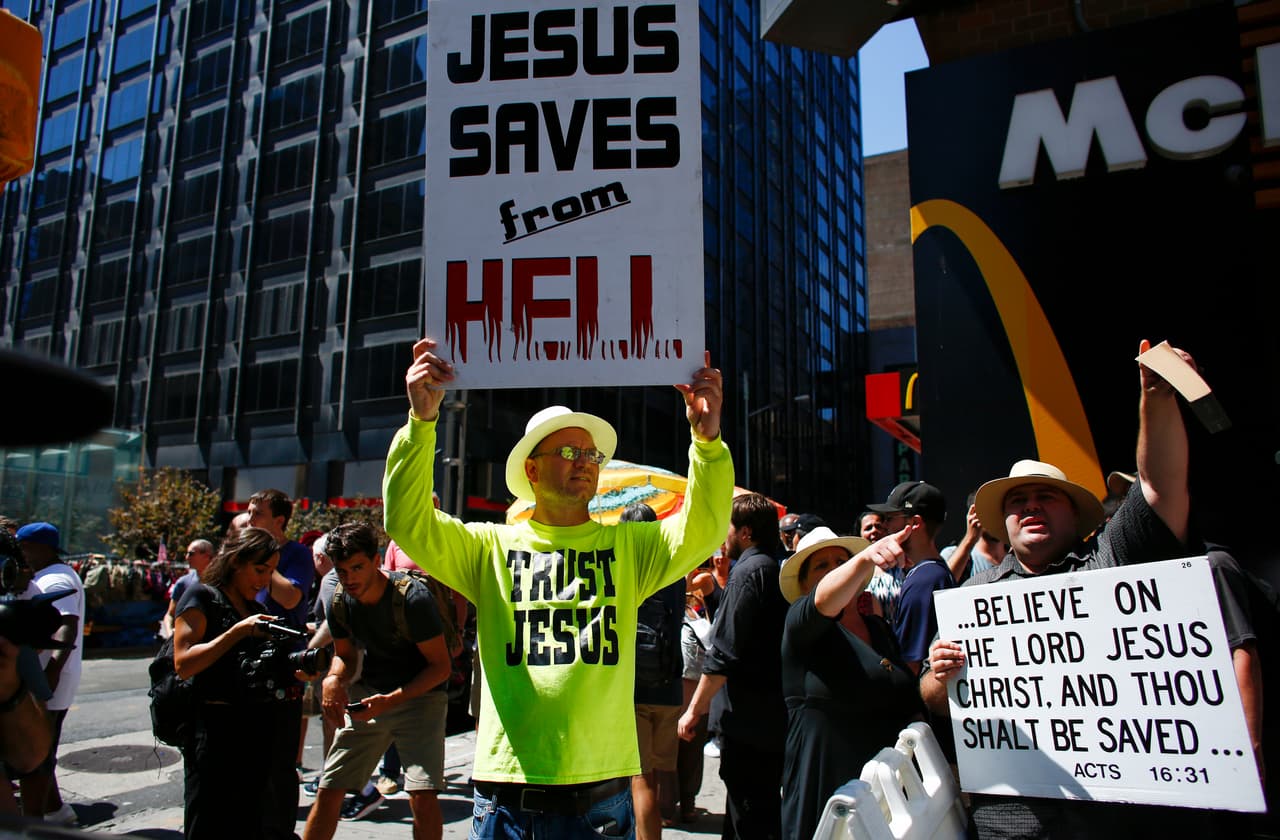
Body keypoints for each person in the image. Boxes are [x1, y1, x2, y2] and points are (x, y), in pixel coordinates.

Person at [383, 338, 732, 839]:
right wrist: (420, 427)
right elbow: (407, 521)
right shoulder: (489, 547)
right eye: (569, 451)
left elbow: (703, 526)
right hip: (506, 797)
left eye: (590, 453)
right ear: (532, 468)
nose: (585, 460)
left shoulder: (629, 547)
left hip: (601, 798)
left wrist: (707, 443)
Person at [923, 340, 1200, 839]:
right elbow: (931, 695)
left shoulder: (1110, 561)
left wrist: (1156, 398)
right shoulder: (974, 597)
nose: (1030, 507)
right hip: (1009, 822)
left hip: (1111, 821)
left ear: (1074, 513)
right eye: (1018, 501)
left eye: (1045, 497)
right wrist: (940, 678)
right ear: (1001, 522)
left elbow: (1159, 487)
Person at [302, 522, 451, 840]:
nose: (350, 578)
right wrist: (333, 679)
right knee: (330, 789)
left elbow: (440, 668)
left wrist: (390, 700)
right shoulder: (340, 599)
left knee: (421, 795)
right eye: (342, 571)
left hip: (421, 696)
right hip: (370, 693)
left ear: (376, 560)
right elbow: (346, 654)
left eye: (357, 567)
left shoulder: (412, 599)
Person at [777, 526, 922, 840]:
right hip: (826, 793)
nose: (835, 570)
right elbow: (824, 599)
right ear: (804, 586)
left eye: (841, 561)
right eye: (822, 566)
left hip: (886, 797)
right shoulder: (800, 625)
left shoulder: (878, 627)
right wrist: (863, 558)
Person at [172, 527, 299, 840]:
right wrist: (237, 633)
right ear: (235, 562)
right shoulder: (202, 597)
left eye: (270, 572)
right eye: (259, 570)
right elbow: (183, 663)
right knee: (210, 825)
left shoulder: (258, 610)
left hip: (256, 730)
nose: (264, 580)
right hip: (214, 731)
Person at [678, 494, 788, 840]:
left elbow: (725, 651)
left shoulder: (749, 572)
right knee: (754, 812)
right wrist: (713, 595)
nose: (722, 538)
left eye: (727, 528)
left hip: (749, 721)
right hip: (768, 717)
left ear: (745, 532)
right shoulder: (771, 567)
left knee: (749, 817)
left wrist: (694, 711)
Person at [15, 521, 84, 826]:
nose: (21, 554)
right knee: (41, 749)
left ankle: (43, 816)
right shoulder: (49, 575)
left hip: (48, 680)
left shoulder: (55, 580)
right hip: (45, 678)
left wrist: (51, 675)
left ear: (39, 548)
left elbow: (67, 625)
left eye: (23, 547)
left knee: (41, 750)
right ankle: (55, 809)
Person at [624, 502, 685, 839]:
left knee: (640, 777)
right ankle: (664, 820)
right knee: (664, 768)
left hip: (634, 687)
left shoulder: (625, 566)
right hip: (669, 680)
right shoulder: (674, 564)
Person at [867, 481, 951, 675]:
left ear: (914, 523)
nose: (884, 525)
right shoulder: (932, 572)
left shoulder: (924, 580)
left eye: (890, 518)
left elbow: (911, 665)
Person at [940, 495, 1005, 582]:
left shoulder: (1018, 557)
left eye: (1000, 511)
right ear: (974, 516)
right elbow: (942, 585)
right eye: (990, 513)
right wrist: (970, 538)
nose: (996, 519)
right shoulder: (953, 555)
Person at [161, 540, 214, 639]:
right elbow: (170, 615)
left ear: (207, 556)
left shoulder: (223, 581)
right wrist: (170, 636)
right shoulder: (183, 583)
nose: (187, 557)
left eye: (191, 554)